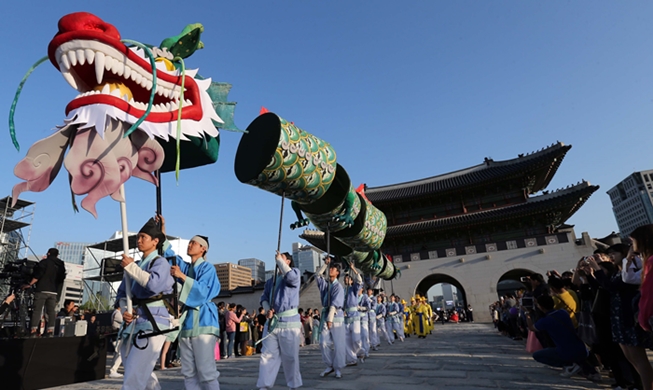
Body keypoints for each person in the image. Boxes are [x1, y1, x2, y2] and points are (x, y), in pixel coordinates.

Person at [115, 218, 175, 390]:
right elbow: (121, 293)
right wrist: (126, 310)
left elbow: (153, 285)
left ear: (155, 241)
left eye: (143, 237)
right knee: (142, 374)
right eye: (138, 237)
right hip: (134, 324)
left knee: (134, 375)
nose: (139, 240)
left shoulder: (160, 262)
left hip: (154, 322)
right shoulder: (135, 264)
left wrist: (132, 267)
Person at [168, 225, 222, 390]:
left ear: (203, 249)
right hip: (187, 323)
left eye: (193, 243)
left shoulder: (207, 268)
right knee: (188, 372)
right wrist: (161, 229)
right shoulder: (186, 267)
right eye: (189, 242)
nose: (189, 244)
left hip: (204, 321)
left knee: (206, 372)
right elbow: (169, 255)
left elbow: (204, 291)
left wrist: (182, 276)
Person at [525, 295, 600, 381]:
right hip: (581, 347)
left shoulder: (545, 321)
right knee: (578, 358)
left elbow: (531, 327)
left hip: (565, 351)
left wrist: (527, 313)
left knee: (537, 355)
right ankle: (585, 369)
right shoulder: (563, 312)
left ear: (541, 307)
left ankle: (569, 364)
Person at [256, 251, 302, 390]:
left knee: (290, 357)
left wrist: (280, 261)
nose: (277, 261)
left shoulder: (295, 273)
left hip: (289, 322)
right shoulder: (272, 280)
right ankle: (264, 385)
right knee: (267, 355)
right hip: (272, 323)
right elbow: (263, 298)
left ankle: (293, 385)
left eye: (281, 258)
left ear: (287, 262)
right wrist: (267, 309)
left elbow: (291, 278)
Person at [23, 248, 66, 337]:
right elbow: (61, 279)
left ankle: (34, 330)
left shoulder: (44, 262)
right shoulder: (61, 264)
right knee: (51, 312)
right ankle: (50, 330)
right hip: (54, 291)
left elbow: (38, 275)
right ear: (57, 255)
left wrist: (30, 284)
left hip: (42, 289)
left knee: (37, 310)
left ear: (48, 253)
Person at [316, 257, 345, 379]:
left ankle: (338, 368)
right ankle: (329, 365)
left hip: (336, 316)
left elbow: (335, 303)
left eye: (333, 268)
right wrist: (325, 264)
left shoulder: (338, 287)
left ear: (337, 272)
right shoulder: (325, 284)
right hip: (325, 314)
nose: (330, 270)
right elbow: (317, 276)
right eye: (330, 268)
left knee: (338, 344)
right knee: (323, 342)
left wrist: (330, 319)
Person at [342, 266, 364, 366]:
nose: (345, 280)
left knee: (356, 339)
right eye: (344, 279)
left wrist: (353, 269)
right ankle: (352, 359)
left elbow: (359, 281)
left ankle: (361, 352)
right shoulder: (342, 290)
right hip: (346, 317)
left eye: (347, 279)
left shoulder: (354, 289)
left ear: (351, 281)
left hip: (354, 316)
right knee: (347, 340)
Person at [109, 306, 124, 378]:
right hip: (117, 335)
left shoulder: (115, 313)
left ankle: (113, 370)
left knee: (118, 353)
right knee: (120, 353)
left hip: (117, 335)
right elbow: (123, 320)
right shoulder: (117, 313)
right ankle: (113, 370)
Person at [358, 287, 371, 358]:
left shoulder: (365, 297)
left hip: (363, 318)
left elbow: (368, 307)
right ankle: (360, 351)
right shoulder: (354, 296)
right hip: (356, 318)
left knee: (365, 335)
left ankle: (366, 350)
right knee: (358, 336)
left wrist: (360, 308)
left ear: (362, 289)